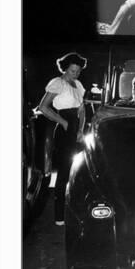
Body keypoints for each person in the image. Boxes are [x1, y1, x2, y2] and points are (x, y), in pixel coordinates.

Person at [34, 52, 87, 225]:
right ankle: (59, 216)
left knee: (77, 170)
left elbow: (82, 110)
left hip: (75, 129)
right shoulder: (58, 83)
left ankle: (74, 210)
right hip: (64, 128)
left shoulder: (78, 84)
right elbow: (43, 107)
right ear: (65, 69)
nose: (76, 74)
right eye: (73, 71)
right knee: (64, 173)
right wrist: (62, 122)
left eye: (78, 71)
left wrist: (80, 129)